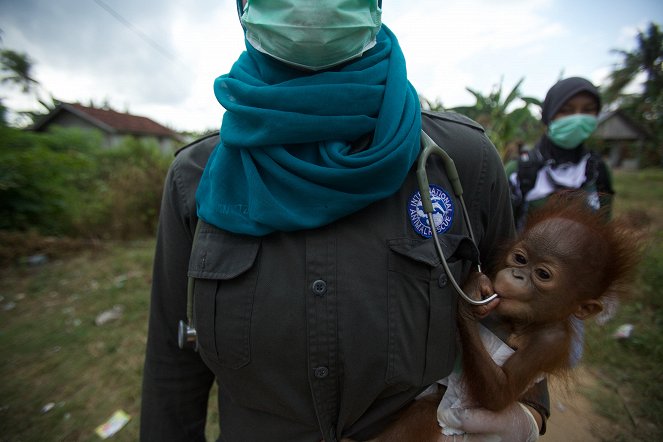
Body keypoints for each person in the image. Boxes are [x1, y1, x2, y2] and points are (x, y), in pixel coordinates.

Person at [140, 1, 549, 441]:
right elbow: (174, 358)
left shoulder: (465, 161)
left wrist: (528, 411)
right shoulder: (196, 178)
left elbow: (520, 309)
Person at [505, 76, 615, 232]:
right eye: (566, 110)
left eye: (588, 110)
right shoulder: (519, 171)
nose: (577, 118)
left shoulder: (597, 170)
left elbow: (604, 227)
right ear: (549, 114)